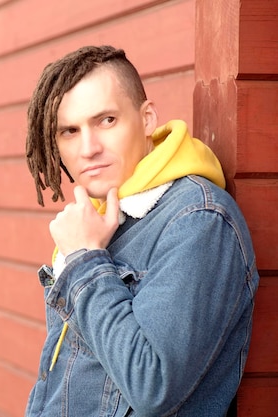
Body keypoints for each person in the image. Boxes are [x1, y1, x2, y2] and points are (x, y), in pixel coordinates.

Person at [24, 45, 259, 417]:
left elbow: (153, 385)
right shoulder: (100, 221)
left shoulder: (198, 220)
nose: (88, 148)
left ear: (147, 118)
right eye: (69, 131)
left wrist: (85, 262)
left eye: (106, 121)